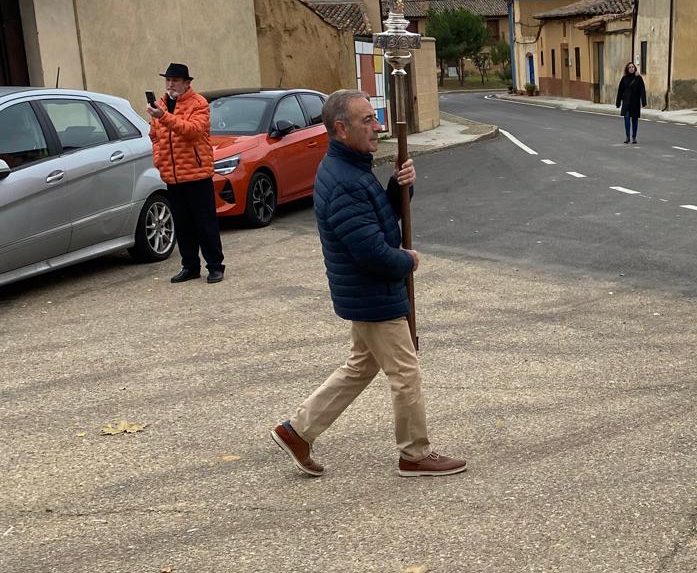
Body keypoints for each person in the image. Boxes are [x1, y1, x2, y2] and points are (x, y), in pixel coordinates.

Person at [271, 89, 466, 480]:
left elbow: (378, 217)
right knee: (405, 372)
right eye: (367, 121)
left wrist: (398, 186)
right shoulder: (345, 179)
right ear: (341, 129)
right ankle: (414, 453)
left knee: (361, 366)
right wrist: (406, 261)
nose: (376, 127)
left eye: (375, 118)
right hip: (373, 292)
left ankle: (297, 432)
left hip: (365, 292)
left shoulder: (352, 168)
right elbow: (371, 252)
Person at [147, 62, 224, 284]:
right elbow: (154, 135)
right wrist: (159, 160)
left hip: (197, 174)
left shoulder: (199, 103)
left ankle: (215, 266)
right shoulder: (161, 104)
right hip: (172, 175)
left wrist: (163, 116)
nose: (170, 84)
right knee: (183, 224)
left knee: (205, 223)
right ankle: (190, 266)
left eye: (175, 80)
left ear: (186, 83)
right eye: (168, 80)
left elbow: (193, 131)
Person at [615, 60, 648, 144]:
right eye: (629, 67)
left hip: (635, 103)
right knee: (626, 119)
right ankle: (627, 137)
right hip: (626, 103)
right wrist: (618, 103)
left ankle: (634, 137)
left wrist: (643, 101)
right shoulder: (624, 78)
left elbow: (642, 90)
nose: (631, 68)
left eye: (633, 67)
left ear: (635, 68)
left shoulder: (638, 78)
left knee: (635, 121)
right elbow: (620, 91)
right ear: (627, 69)